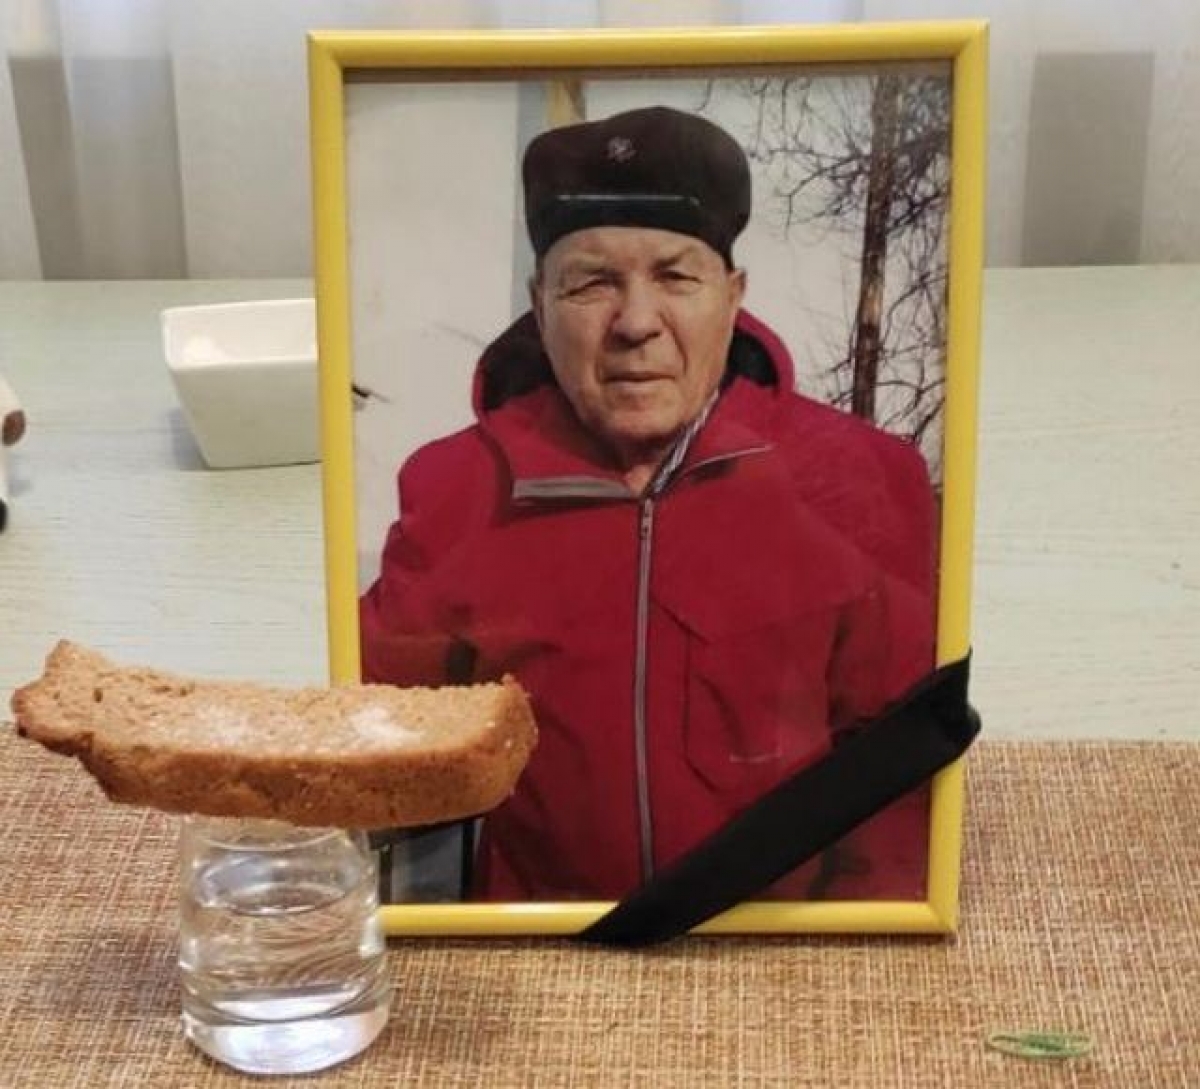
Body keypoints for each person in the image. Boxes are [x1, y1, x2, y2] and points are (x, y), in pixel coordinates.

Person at [360, 106, 937, 903]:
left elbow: (904, 767)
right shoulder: (454, 489)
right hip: (539, 946)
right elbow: (375, 737)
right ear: (539, 304)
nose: (635, 322)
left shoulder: (858, 479)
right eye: (592, 282)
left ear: (732, 295)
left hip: (784, 945)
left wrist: (850, 948)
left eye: (675, 276)